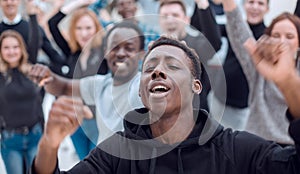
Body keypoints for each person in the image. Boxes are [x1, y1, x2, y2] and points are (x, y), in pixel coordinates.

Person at [31, 36, 300, 174]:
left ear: (197, 86)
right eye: (150, 68)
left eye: (172, 66)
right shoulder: (117, 152)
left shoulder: (235, 150)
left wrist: (288, 82)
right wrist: (49, 144)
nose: (158, 72)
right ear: (141, 89)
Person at [29, 20, 145, 144]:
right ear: (106, 51)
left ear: (141, 55)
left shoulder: (144, 85)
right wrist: (48, 76)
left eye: (129, 48)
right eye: (115, 47)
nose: (121, 53)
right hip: (103, 161)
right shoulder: (100, 84)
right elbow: (63, 87)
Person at [222, 0, 300, 145]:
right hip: (256, 145)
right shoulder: (259, 66)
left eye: (289, 37)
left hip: (291, 148)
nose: (282, 42)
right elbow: (237, 28)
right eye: (276, 35)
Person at [47, 0, 108, 160]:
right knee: (84, 164)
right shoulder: (72, 53)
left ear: (96, 29)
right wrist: (79, 3)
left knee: (99, 166)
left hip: (99, 123)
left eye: (88, 28)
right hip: (76, 124)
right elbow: (52, 23)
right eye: (79, 28)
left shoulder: (105, 53)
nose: (84, 33)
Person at [210, 0, 269, 131]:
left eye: (260, 3)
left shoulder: (268, 38)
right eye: (251, 2)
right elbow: (211, 29)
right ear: (243, 5)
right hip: (218, 96)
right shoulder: (232, 27)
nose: (255, 7)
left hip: (243, 106)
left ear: (267, 9)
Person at [0, 2, 43, 174]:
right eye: (6, 48)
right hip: (11, 140)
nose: (12, 51)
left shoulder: (30, 69)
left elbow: (35, 40)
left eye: (16, 47)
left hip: (35, 135)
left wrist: (32, 16)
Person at [158, 0, 222, 111]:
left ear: (186, 20)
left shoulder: (195, 44)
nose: (170, 20)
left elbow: (214, 42)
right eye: (165, 16)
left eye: (175, 15)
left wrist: (203, 4)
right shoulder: (155, 49)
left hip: (195, 116)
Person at [0, 0, 65, 69]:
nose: (9, 3)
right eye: (5, 0)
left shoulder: (33, 28)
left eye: (12, 0)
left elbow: (53, 56)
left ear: (18, 1)